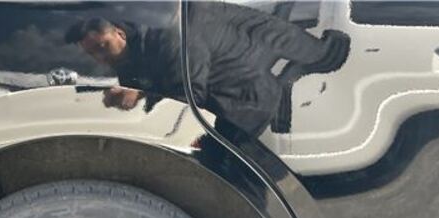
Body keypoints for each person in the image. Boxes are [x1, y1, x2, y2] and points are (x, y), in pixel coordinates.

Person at [65, 4, 350, 137]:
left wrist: (141, 95)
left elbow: (191, 98)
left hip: (251, 92)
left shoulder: (170, 37)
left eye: (102, 47)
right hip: (239, 90)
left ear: (120, 33)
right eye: (93, 54)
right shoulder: (131, 55)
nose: (101, 58)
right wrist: (136, 95)